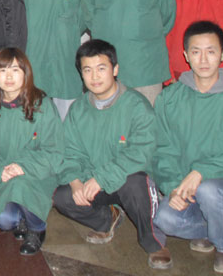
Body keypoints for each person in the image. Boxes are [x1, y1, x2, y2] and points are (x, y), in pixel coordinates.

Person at [53, 39, 171, 270]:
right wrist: (75, 182)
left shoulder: (136, 105)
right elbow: (70, 152)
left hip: (127, 180)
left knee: (136, 182)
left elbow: (141, 153)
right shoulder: (79, 109)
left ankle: (153, 242)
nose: (94, 76)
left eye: (101, 68)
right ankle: (107, 218)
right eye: (87, 70)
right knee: (62, 197)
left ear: (115, 69)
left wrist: (102, 178)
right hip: (94, 182)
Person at [154, 21, 223, 275]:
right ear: (186, 55)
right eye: (196, 52)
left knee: (210, 191)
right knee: (165, 218)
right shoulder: (170, 98)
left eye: (211, 51)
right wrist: (173, 187)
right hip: (186, 185)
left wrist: (201, 172)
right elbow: (162, 150)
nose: (203, 59)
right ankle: (214, 227)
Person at [0, 47, 63, 256]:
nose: (8, 77)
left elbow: (54, 150)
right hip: (2, 175)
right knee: (5, 220)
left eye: (15, 70)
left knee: (24, 189)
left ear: (26, 74)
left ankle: (37, 228)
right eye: (3, 70)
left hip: (35, 174)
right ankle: (20, 218)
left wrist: (23, 167)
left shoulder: (42, 105)